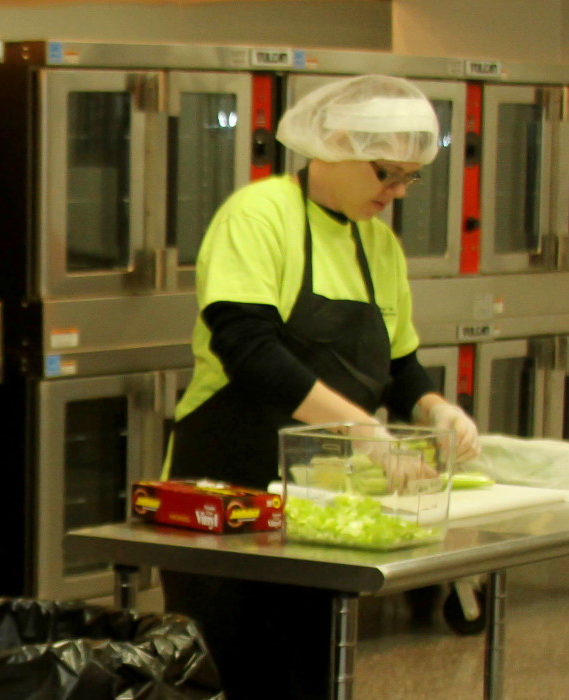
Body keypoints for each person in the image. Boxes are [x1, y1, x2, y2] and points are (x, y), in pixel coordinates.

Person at [159, 74, 482, 699]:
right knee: (226, 672)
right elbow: (248, 348)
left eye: (409, 178)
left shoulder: (378, 244)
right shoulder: (259, 216)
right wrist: (360, 429)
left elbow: (399, 361)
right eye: (386, 172)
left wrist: (434, 407)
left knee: (308, 676)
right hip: (226, 496)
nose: (396, 192)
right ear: (333, 143)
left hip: (319, 510)